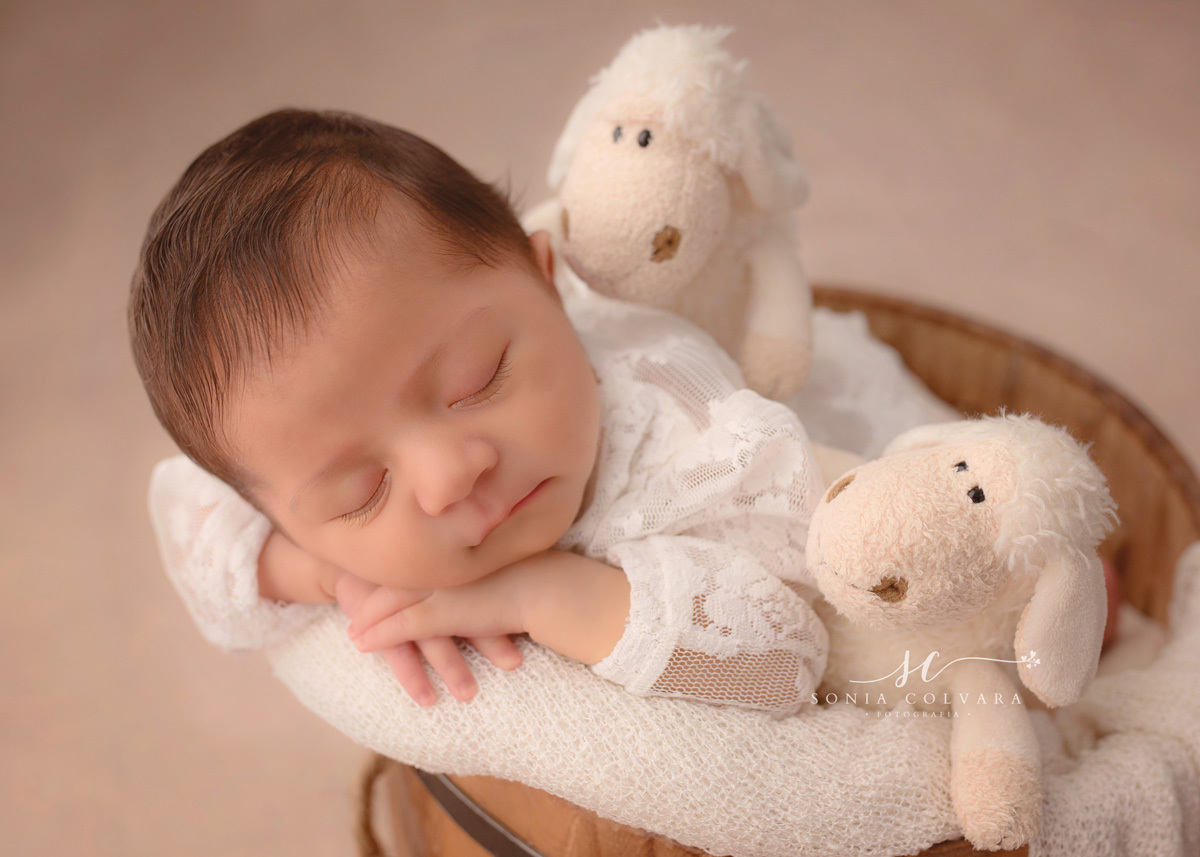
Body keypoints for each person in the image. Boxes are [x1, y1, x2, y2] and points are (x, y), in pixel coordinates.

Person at [132, 108, 829, 716]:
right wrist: (332, 576)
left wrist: (543, 595)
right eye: (360, 492)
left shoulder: (692, 433)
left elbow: (793, 653)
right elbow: (195, 529)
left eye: (477, 379)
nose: (449, 476)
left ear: (548, 281)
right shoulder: (289, 455)